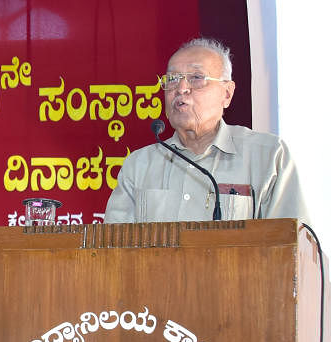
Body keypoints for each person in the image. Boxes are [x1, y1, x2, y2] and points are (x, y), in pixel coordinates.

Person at [105, 37, 308, 223]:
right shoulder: (139, 165)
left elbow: (294, 245)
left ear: (227, 94)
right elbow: (112, 249)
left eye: (196, 77)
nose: (181, 88)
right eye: (172, 79)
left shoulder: (268, 156)